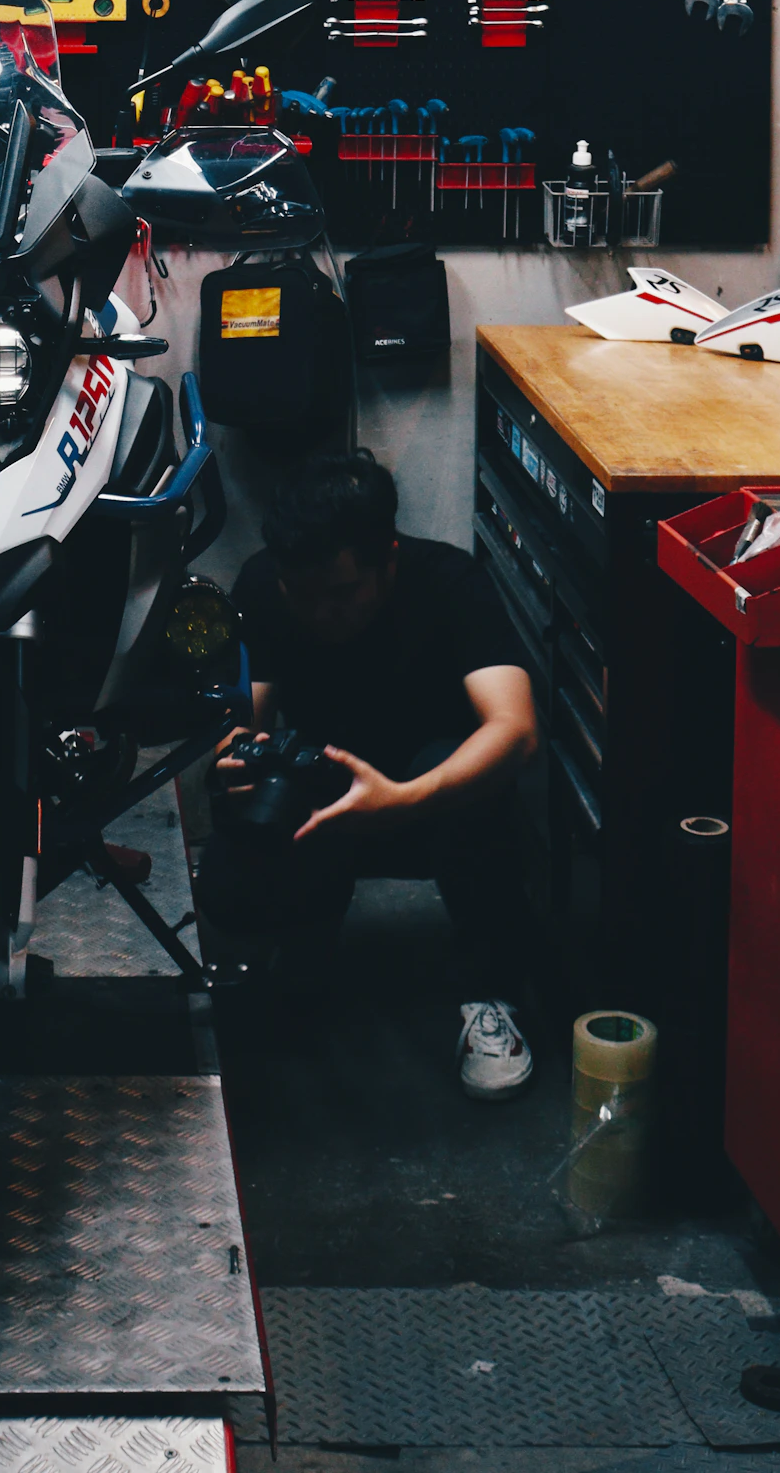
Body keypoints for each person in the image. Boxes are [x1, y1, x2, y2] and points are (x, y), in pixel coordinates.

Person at [198, 448, 541, 1098]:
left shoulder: (449, 581)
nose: (319, 612)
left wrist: (407, 800)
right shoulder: (263, 586)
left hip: (430, 800)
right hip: (330, 800)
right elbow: (243, 722)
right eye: (300, 594)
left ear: (388, 556)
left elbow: (516, 728)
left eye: (339, 594)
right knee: (229, 881)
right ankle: (307, 941)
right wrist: (235, 758)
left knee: (468, 767)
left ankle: (489, 993)